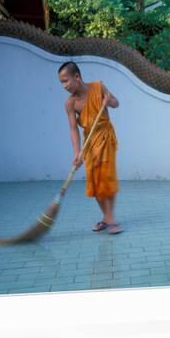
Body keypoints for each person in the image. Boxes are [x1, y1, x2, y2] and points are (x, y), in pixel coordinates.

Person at [57, 61, 123, 234]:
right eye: (61, 83)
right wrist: (77, 152)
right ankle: (107, 218)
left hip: (105, 136)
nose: (64, 86)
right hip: (89, 142)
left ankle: (110, 218)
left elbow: (117, 103)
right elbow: (73, 129)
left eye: (66, 81)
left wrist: (108, 101)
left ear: (77, 77)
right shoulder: (70, 103)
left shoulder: (98, 87)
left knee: (106, 178)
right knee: (94, 181)